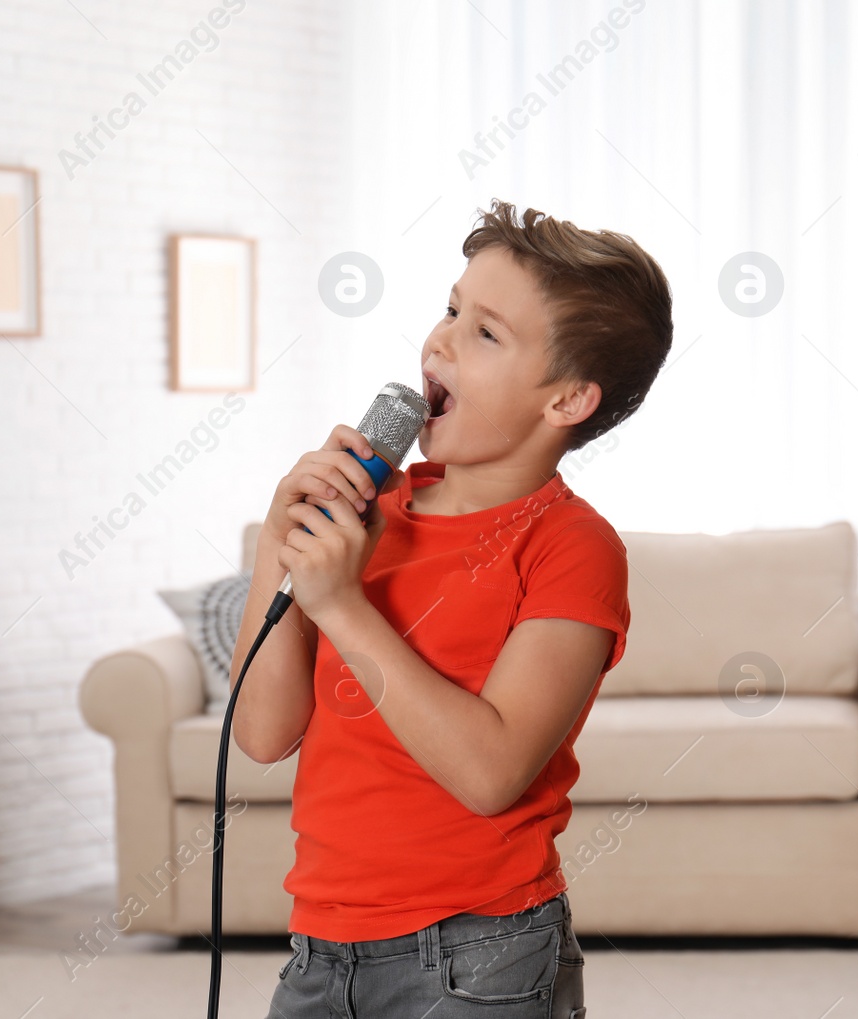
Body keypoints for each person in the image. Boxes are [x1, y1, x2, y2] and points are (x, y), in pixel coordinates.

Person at [229, 199, 673, 1018]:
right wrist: (278, 543)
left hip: (479, 953)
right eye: (451, 308)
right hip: (320, 945)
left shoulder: (570, 546)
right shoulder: (373, 516)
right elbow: (263, 734)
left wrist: (346, 607)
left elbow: (490, 771)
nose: (440, 340)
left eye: (485, 333)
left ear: (568, 400)